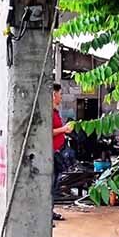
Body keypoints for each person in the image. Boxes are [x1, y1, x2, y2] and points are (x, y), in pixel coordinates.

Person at [51, 83, 74, 220]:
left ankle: (50, 211)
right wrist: (64, 129)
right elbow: (48, 132)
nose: (61, 97)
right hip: (52, 153)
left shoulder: (55, 112)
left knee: (54, 185)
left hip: (57, 151)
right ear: (54, 95)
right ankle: (48, 214)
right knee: (51, 185)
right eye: (60, 94)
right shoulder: (49, 112)